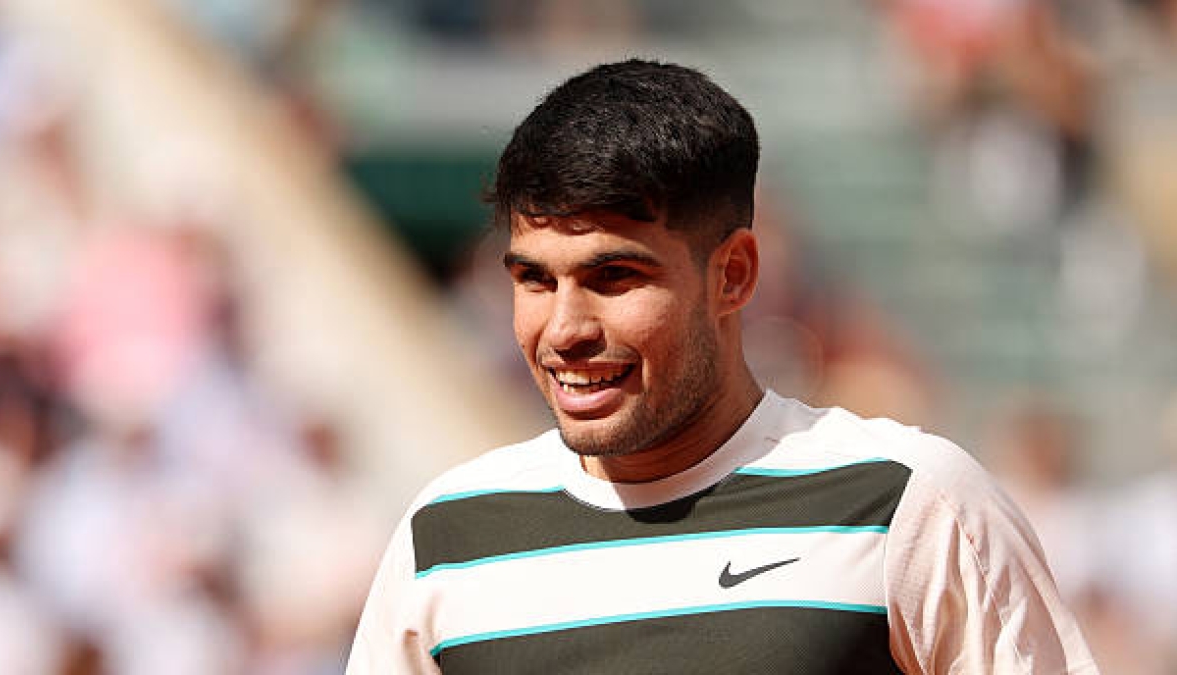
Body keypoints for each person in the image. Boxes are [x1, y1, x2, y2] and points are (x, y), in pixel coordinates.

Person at [345, 59, 1098, 674]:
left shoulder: (908, 502)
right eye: (534, 279)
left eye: (614, 277)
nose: (564, 329)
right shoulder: (445, 534)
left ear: (733, 274)